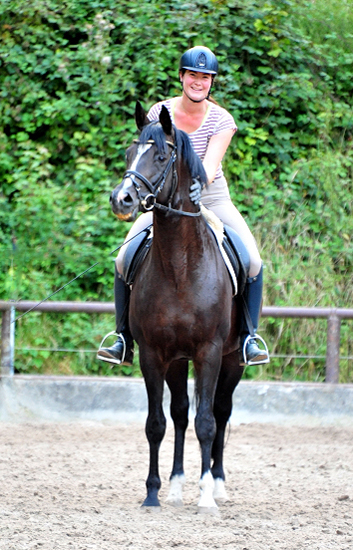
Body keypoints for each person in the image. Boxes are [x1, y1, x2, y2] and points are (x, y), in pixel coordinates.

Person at [97, 46, 269, 367]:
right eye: (193, 75)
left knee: (254, 260)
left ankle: (249, 337)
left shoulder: (222, 120)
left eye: (205, 77)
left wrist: (196, 185)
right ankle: (122, 337)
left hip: (210, 194)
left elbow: (209, 164)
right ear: (182, 76)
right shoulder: (158, 112)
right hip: (164, 199)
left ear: (211, 82)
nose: (198, 82)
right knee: (123, 258)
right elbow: (147, 158)